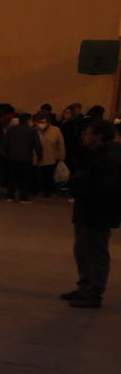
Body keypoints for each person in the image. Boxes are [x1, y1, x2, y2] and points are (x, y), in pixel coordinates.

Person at [62, 120, 121, 309]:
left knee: (95, 251)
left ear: (99, 136)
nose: (83, 136)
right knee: (82, 249)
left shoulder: (110, 158)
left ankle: (94, 293)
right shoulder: (97, 154)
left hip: (98, 212)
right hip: (87, 210)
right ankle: (84, 286)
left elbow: (101, 188)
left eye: (87, 133)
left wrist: (76, 186)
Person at [2, 113, 42, 203]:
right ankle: (23, 197)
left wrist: (8, 153)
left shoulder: (11, 130)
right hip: (26, 158)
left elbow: (5, 145)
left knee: (12, 177)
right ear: (28, 120)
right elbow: (37, 145)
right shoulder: (32, 131)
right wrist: (40, 156)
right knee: (25, 178)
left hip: (12, 157)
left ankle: (10, 196)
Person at [34, 112, 65, 197]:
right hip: (36, 157)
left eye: (43, 122)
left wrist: (61, 156)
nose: (41, 124)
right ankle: (36, 190)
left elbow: (61, 144)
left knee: (48, 176)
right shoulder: (34, 129)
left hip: (50, 157)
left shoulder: (55, 130)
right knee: (36, 175)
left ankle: (47, 191)